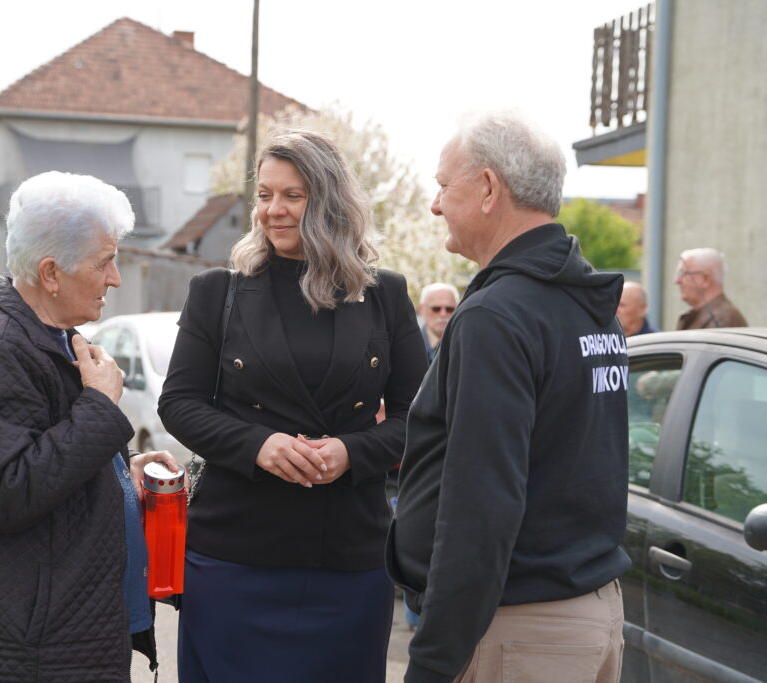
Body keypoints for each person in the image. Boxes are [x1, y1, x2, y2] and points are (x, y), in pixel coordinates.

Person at [0, 172, 179, 682]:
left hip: (39, 637)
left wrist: (118, 472)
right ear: (50, 273)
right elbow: (6, 492)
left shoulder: (43, 335)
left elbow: (41, 452)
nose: (115, 278)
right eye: (104, 262)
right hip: (20, 651)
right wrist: (99, 407)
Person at [159, 129, 428, 683]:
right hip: (235, 555)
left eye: (292, 195)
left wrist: (351, 453)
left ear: (329, 200)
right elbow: (179, 403)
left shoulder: (385, 294)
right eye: (264, 195)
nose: (272, 210)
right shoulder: (216, 291)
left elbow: (421, 418)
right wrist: (258, 445)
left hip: (348, 559)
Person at [390, 111, 630, 683]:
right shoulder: (581, 300)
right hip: (584, 615)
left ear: (489, 188)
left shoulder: (498, 316)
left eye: (443, 186)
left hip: (518, 629)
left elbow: (481, 505)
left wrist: (432, 663)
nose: (435, 205)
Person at [674, 247, 748, 329]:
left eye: (682, 274)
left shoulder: (722, 320)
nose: (677, 281)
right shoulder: (704, 316)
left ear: (705, 279)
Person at [418, 283, 459, 363]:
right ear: (422, 309)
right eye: (436, 309)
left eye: (449, 309)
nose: (443, 314)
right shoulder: (409, 345)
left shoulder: (465, 347)